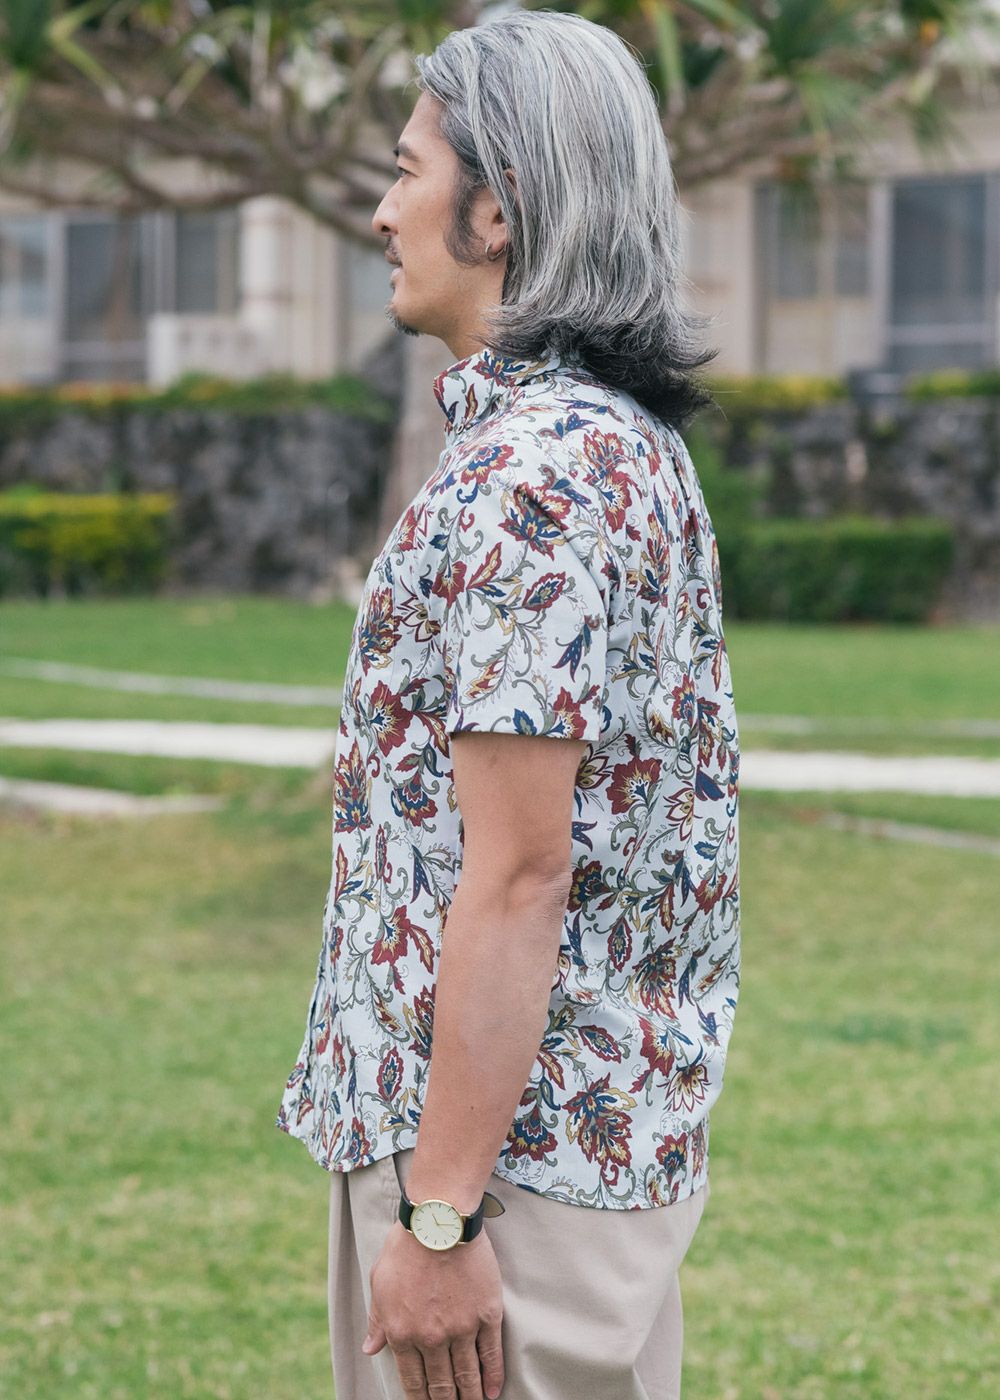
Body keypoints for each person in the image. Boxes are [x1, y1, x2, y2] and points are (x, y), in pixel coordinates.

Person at [277, 10, 741, 1399]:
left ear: (499, 209)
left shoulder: (533, 476)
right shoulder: (619, 444)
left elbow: (523, 871)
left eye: (407, 170)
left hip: (501, 1186)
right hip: (576, 1156)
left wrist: (438, 1215)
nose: (382, 212)